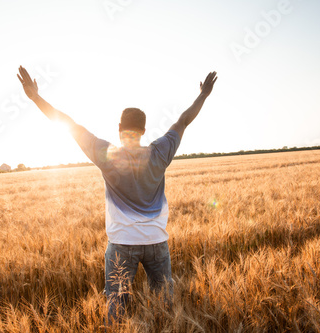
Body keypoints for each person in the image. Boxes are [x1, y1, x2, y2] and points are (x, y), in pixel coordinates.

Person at [17, 66, 217, 323]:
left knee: (117, 310)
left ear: (120, 127)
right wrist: (203, 95)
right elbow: (182, 121)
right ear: (144, 130)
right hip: (157, 242)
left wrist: (35, 98)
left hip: (122, 244)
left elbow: (69, 124)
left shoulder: (106, 154)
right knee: (166, 307)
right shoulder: (159, 152)